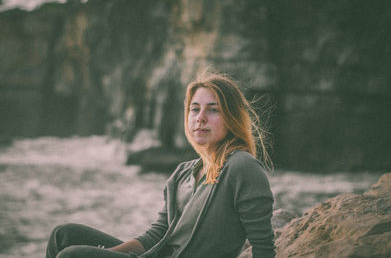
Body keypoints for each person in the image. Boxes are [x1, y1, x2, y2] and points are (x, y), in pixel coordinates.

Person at [46, 71, 275, 258]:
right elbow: (156, 236)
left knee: (71, 257)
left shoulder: (242, 167)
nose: (200, 117)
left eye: (213, 110)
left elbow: (264, 248)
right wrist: (107, 255)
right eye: (195, 109)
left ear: (231, 117)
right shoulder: (183, 173)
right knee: (63, 235)